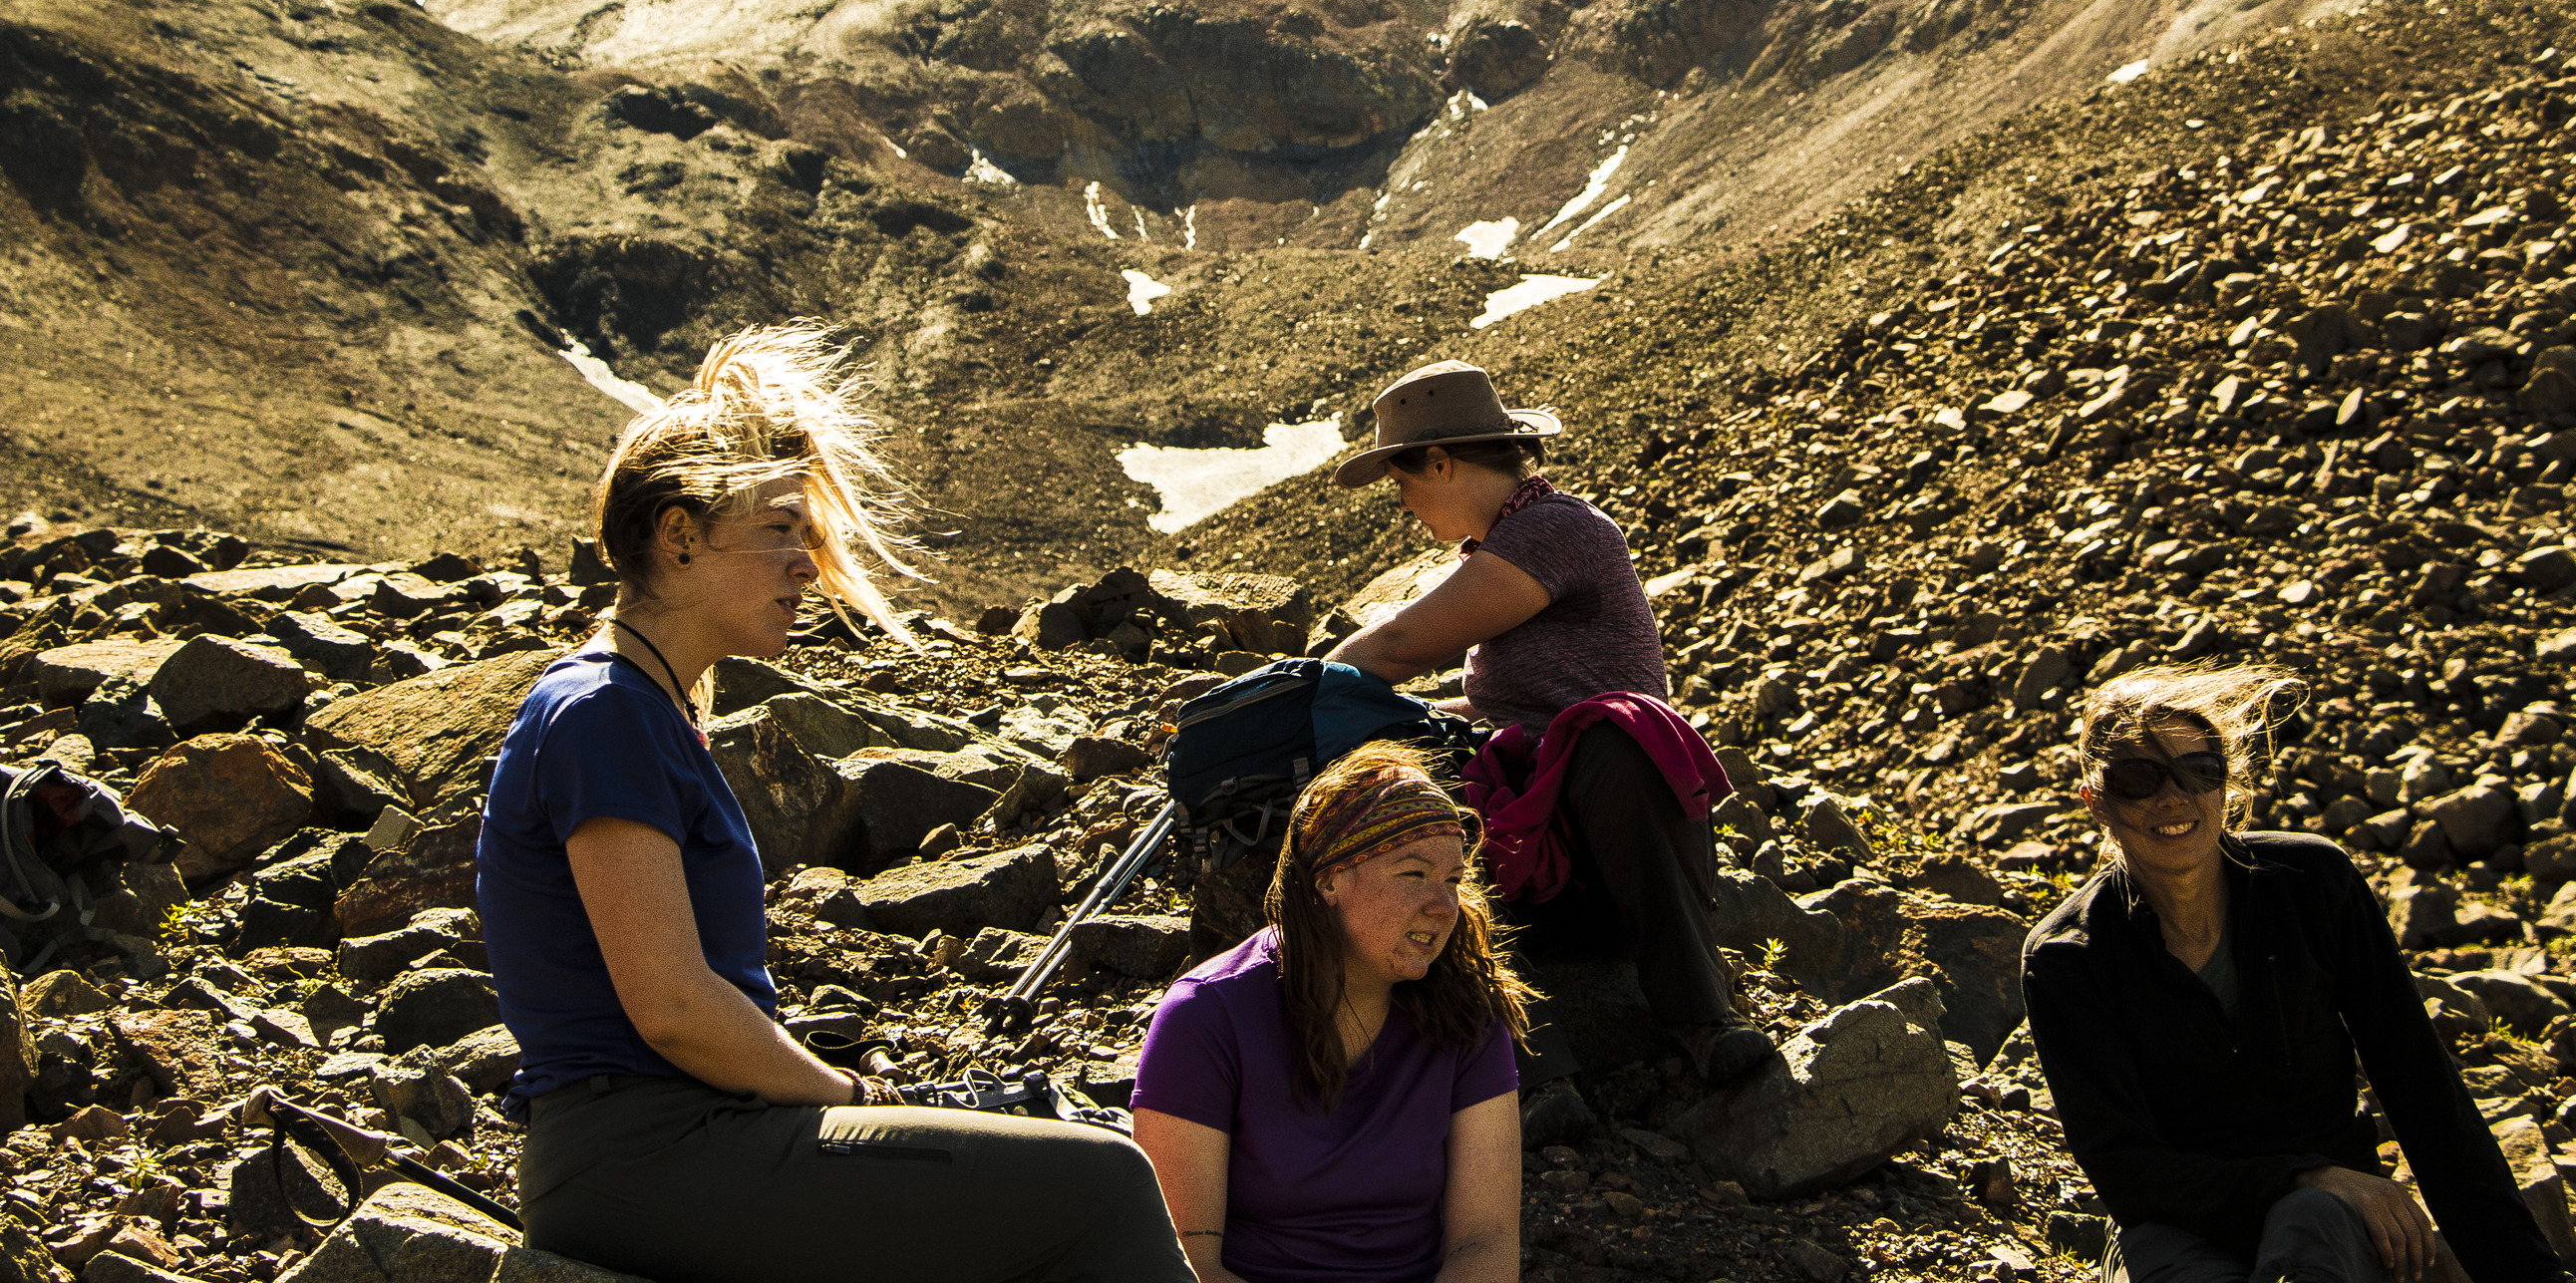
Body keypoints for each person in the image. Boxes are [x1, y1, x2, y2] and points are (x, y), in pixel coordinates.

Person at [476, 321, 1189, 1283]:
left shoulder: (643, 709)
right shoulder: (603, 714)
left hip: (676, 1142)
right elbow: (673, 1009)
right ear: (677, 535)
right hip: (644, 1157)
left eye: (807, 538)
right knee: (1101, 1182)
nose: (808, 567)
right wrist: (841, 1089)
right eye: (780, 534)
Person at [1321, 359, 1770, 1145]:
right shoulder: (1505, 546)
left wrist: (1297, 689)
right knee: (1415, 818)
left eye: (1405, 479)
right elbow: (1503, 706)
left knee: (1612, 734)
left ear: (1442, 461)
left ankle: (1701, 1018)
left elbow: (1397, 644)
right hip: (1547, 844)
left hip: (1611, 833)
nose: (1403, 502)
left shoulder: (1556, 531)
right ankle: (1535, 1073)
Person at [2022, 664, 2570, 1283]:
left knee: (2308, 1224)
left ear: (2227, 782)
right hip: (2180, 1229)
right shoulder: (2069, 957)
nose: (2173, 798)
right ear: (2095, 797)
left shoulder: (2313, 885)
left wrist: (2528, 1274)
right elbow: (2126, 1169)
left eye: (2199, 770)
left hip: (2332, 1221)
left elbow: (2421, 1088)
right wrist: (2306, 1173)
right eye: (2138, 778)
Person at [1131, 743, 1525, 1283]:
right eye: (1413, 874)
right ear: (1329, 880)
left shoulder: (1466, 1016)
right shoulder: (1206, 1016)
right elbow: (1184, 1262)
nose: (1443, 905)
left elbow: (1486, 1243)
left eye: (1454, 880)